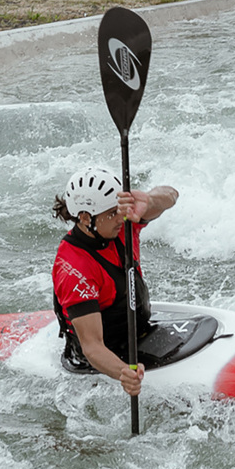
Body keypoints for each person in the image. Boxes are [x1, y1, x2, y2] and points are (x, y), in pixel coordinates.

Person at [50, 163, 179, 395]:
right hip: (99, 361)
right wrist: (124, 373)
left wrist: (148, 201)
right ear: (84, 218)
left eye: (119, 208)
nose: (121, 218)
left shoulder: (119, 224)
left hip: (136, 334)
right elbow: (92, 347)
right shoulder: (74, 269)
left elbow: (171, 195)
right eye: (112, 213)